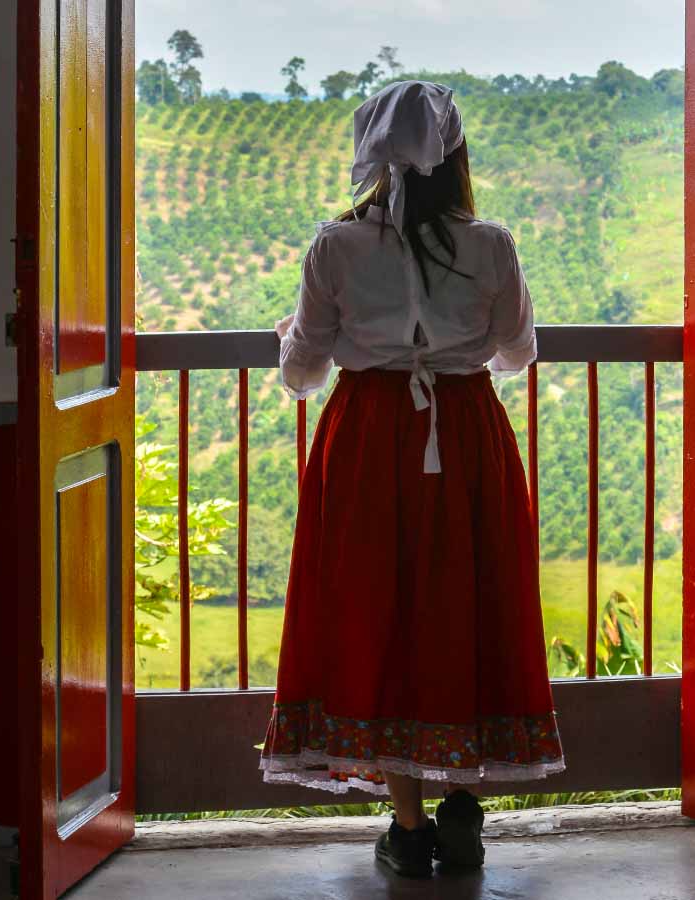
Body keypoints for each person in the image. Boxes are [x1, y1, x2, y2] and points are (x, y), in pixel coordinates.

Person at [258, 80, 565, 879]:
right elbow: (517, 353)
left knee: (378, 610)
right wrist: (453, 351)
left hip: (366, 446)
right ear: (454, 157)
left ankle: (410, 826)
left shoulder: (336, 246)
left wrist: (293, 337)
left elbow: (302, 373)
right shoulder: (490, 243)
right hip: (465, 435)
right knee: (469, 600)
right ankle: (466, 799)